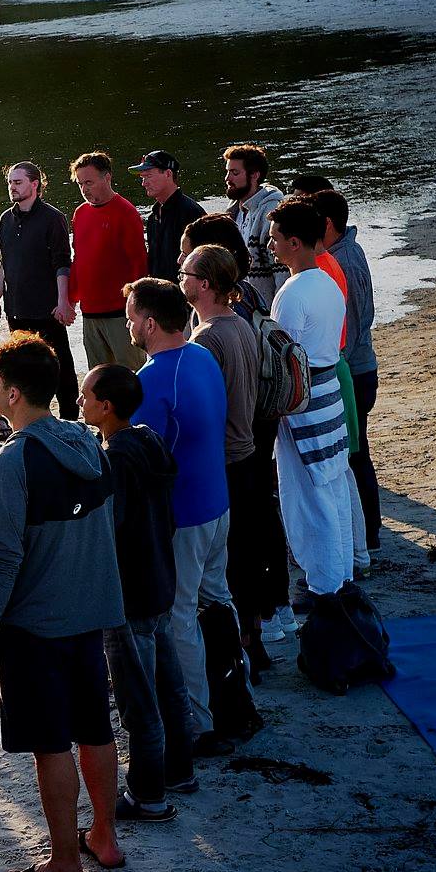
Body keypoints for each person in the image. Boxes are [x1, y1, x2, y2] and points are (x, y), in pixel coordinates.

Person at [0, 332, 125, 872]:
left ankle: (63, 864)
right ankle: (103, 835)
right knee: (95, 726)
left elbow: (2, 555)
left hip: (38, 624)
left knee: (53, 742)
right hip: (94, 611)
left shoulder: (13, 463)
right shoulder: (87, 441)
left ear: (10, 394)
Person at [123, 278, 234, 754]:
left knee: (180, 616)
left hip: (185, 516)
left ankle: (199, 723)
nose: (128, 323)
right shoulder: (204, 356)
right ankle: (237, 692)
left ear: (150, 322)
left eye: (130, 316)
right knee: (219, 599)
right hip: (218, 503)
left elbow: (146, 458)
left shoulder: (151, 379)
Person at [80, 366, 195, 818]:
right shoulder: (149, 441)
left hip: (130, 593)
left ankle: (148, 795)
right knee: (170, 688)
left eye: (86, 395)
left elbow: (111, 528)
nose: (80, 401)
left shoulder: (115, 459)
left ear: (106, 407)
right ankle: (180, 771)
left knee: (138, 701)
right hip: (162, 579)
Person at [180, 247, 272, 670]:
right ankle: (254, 641)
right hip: (250, 452)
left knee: (228, 562)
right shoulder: (239, 324)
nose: (181, 277)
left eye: (187, 272)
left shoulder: (207, 338)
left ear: (204, 284)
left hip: (227, 460)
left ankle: (240, 648)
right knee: (247, 553)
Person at [268, 199, 355, 599]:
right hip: (330, 394)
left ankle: (324, 584)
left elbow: (281, 358)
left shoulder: (293, 292)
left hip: (303, 401)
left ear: (296, 242)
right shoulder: (328, 282)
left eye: (275, 239)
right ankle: (341, 576)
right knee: (332, 484)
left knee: (308, 495)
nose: (271, 246)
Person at [316, 188, 381, 550]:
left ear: (326, 224)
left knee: (356, 456)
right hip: (354, 370)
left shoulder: (345, 261)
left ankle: (368, 535)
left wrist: (331, 363)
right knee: (356, 454)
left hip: (354, 372)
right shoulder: (340, 255)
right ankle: (367, 533)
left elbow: (354, 326)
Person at [0, 161, 79, 420]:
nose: (12, 187)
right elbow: (4, 264)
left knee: (59, 366)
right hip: (17, 310)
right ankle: (30, 419)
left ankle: (70, 420)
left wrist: (64, 302)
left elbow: (62, 264)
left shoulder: (53, 218)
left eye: (17, 182)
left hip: (47, 310)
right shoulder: (5, 220)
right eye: (10, 182)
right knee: (23, 371)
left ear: (35, 184)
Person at [67, 154, 148, 372]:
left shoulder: (126, 212)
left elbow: (139, 264)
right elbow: (79, 260)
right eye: (81, 184)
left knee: (131, 375)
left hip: (120, 313)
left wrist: (139, 308)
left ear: (107, 178)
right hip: (90, 313)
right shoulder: (80, 213)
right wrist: (70, 299)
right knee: (99, 378)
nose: (84, 189)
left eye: (89, 182)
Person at [222, 145, 287, 306]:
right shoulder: (233, 212)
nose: (227, 178)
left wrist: (275, 319)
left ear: (254, 175)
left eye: (235, 173)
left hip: (263, 312)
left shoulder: (270, 211)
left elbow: (282, 270)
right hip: (239, 307)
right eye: (227, 171)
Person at [132, 151, 206, 281]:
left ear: (168, 174)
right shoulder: (152, 217)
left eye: (148, 176)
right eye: (142, 178)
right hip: (161, 295)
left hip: (184, 295)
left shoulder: (191, 213)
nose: (144, 183)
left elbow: (206, 262)